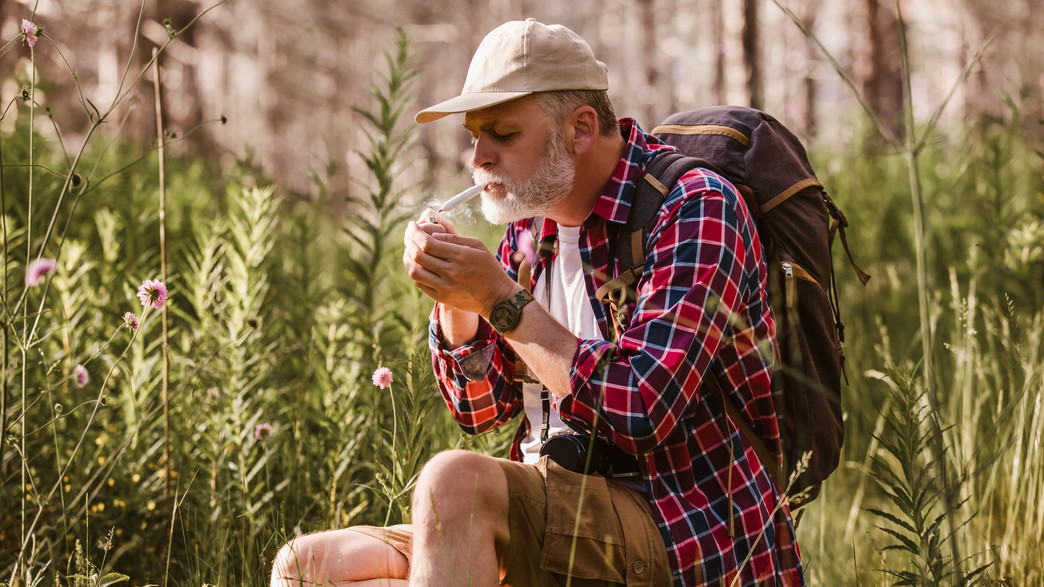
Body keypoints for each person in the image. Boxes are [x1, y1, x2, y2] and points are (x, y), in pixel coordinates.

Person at [271, 19, 804, 587]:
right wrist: (457, 304)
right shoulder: (531, 229)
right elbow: (482, 411)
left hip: (684, 523)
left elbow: (643, 407)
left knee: (455, 485)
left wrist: (498, 296)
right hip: (561, 508)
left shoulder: (693, 208)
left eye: (502, 133)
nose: (479, 157)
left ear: (579, 128)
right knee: (308, 568)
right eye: (474, 135)